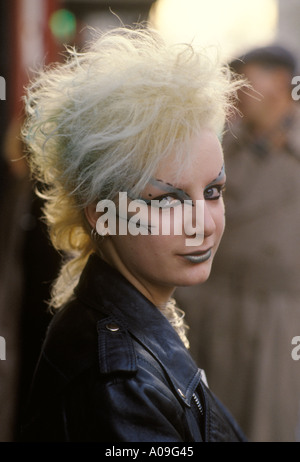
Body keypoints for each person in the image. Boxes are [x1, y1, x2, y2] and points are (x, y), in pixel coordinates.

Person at [19, 27, 247, 442]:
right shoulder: (118, 385)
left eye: (213, 191)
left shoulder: (130, 330)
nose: (204, 223)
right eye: (167, 200)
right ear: (103, 214)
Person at [175, 45, 300, 442]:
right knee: (210, 423)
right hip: (216, 306)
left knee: (268, 424)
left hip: (282, 315)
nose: (239, 91)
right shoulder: (220, 146)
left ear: (282, 82)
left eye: (249, 80)